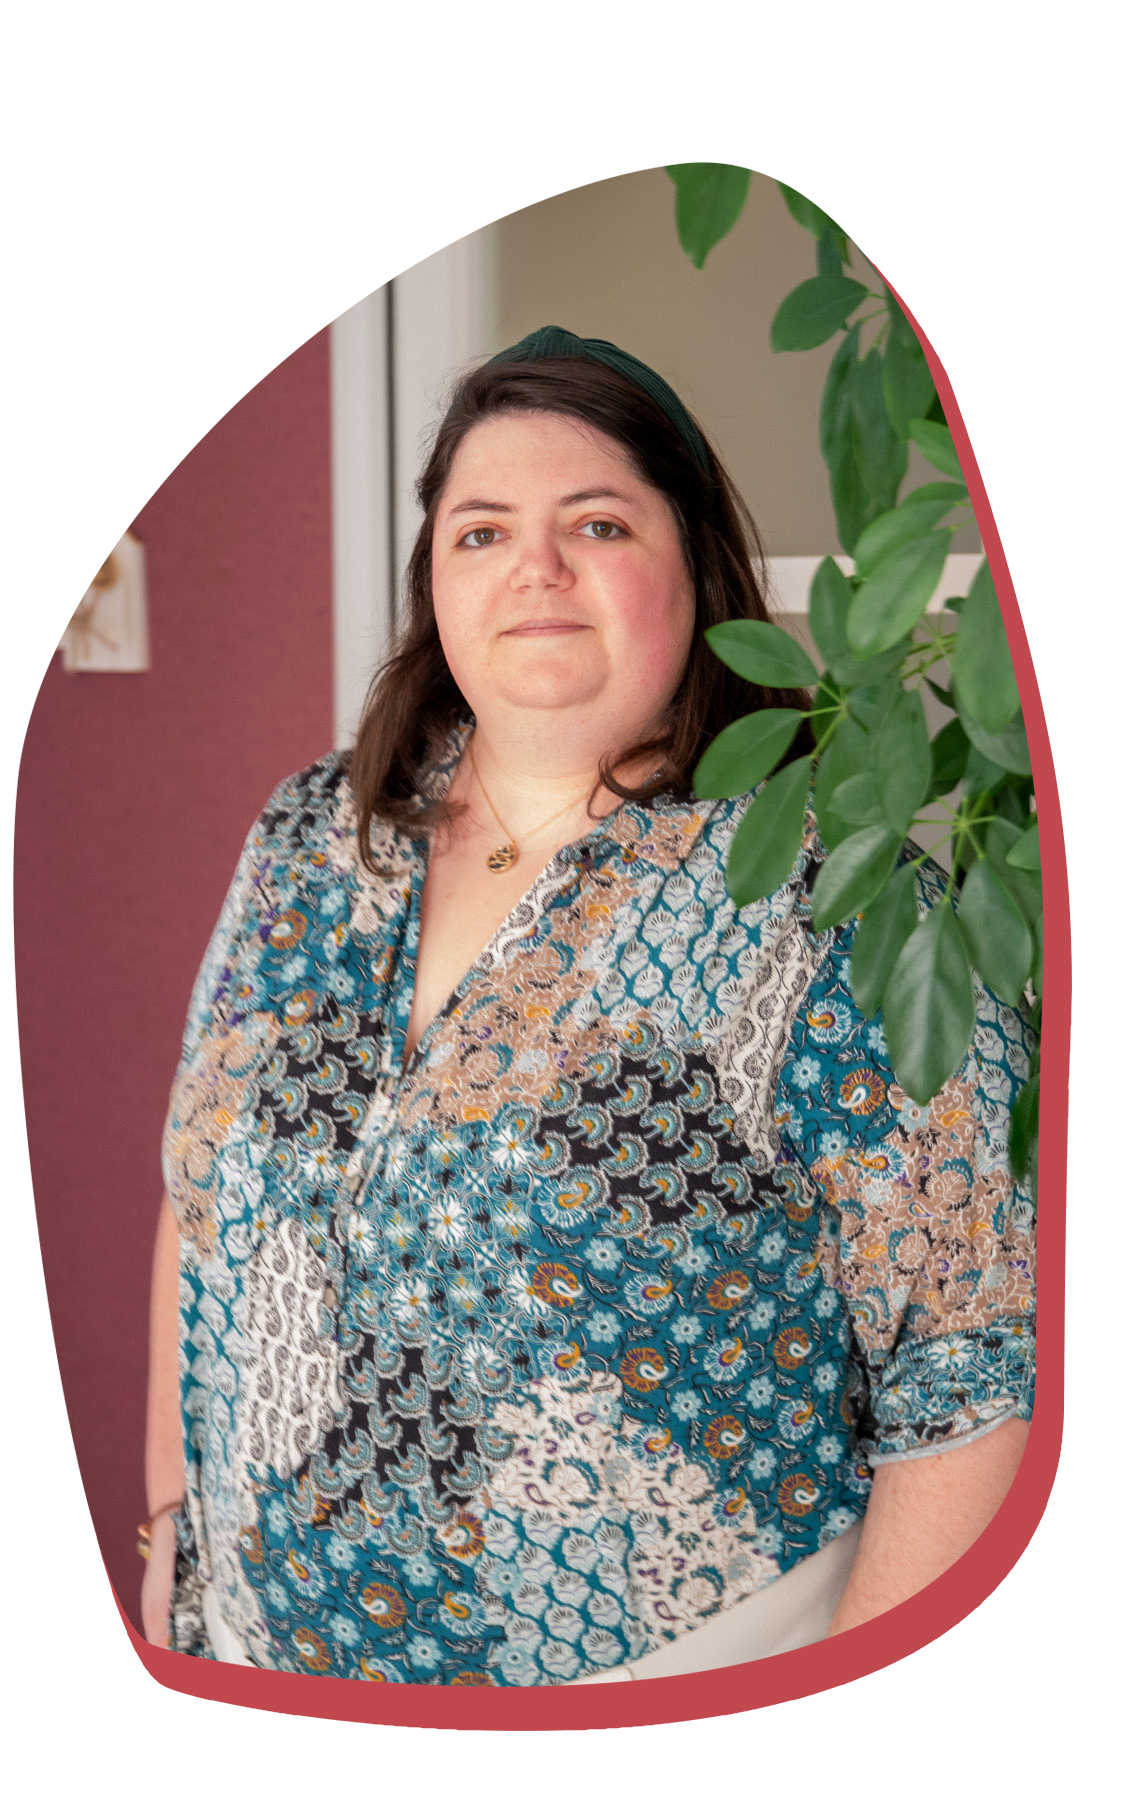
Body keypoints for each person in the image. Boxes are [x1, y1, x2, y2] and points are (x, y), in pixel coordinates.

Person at [142, 325, 1035, 1685]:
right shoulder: (313, 836)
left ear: (699, 571)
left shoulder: (842, 901)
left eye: (598, 523)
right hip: (253, 1660)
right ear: (435, 584)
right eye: (482, 532)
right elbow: (202, 1196)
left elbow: (977, 1364)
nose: (536, 568)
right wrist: (169, 1535)